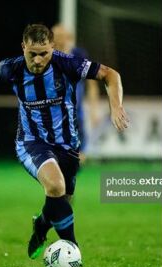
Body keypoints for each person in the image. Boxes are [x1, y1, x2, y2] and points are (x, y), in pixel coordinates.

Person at [0, 24, 129, 258]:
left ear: (53, 47)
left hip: (67, 146)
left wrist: (115, 107)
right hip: (31, 143)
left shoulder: (67, 63)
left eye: (44, 53)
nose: (37, 59)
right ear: (23, 47)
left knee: (61, 201)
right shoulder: (11, 68)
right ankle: (72, 250)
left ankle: (40, 227)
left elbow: (110, 74)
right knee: (55, 186)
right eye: (32, 53)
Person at [52, 24, 100, 163]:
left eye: (62, 37)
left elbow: (92, 84)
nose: (59, 41)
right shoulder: (46, 57)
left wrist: (94, 109)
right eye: (56, 38)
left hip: (75, 111)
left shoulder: (79, 55)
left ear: (69, 39)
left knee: (78, 155)